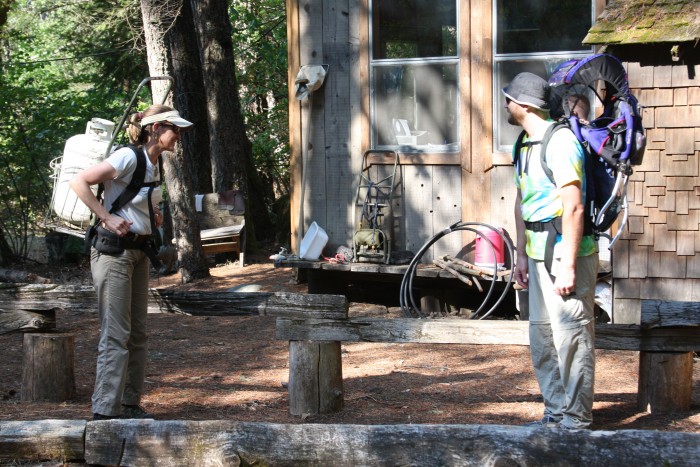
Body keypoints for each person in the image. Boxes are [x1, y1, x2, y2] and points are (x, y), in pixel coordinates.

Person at [70, 104, 193, 420]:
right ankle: (104, 413)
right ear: (155, 129)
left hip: (138, 253)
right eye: (174, 129)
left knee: (138, 333)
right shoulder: (128, 156)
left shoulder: (155, 164)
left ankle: (128, 404)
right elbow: (80, 182)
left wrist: (153, 217)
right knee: (116, 333)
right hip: (113, 254)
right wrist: (107, 217)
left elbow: (138, 201)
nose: (179, 135)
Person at [504, 72, 598, 430]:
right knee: (542, 337)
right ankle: (556, 413)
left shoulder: (560, 143)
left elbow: (573, 207)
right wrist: (522, 257)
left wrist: (568, 264)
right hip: (537, 252)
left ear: (525, 105)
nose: (506, 103)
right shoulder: (523, 143)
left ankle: (575, 423)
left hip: (565, 253)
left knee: (571, 338)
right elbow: (521, 200)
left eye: (510, 98)